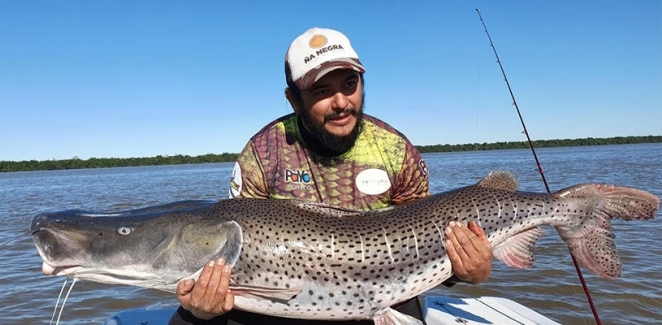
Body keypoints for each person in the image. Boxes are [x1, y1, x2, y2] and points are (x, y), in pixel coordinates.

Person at [169, 27, 493, 325]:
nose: (341, 103)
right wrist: (203, 304)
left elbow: (426, 239)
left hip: (384, 286)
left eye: (349, 85)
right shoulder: (263, 152)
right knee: (191, 318)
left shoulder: (396, 150)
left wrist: (465, 271)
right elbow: (239, 248)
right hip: (286, 292)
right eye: (322, 91)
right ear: (293, 99)